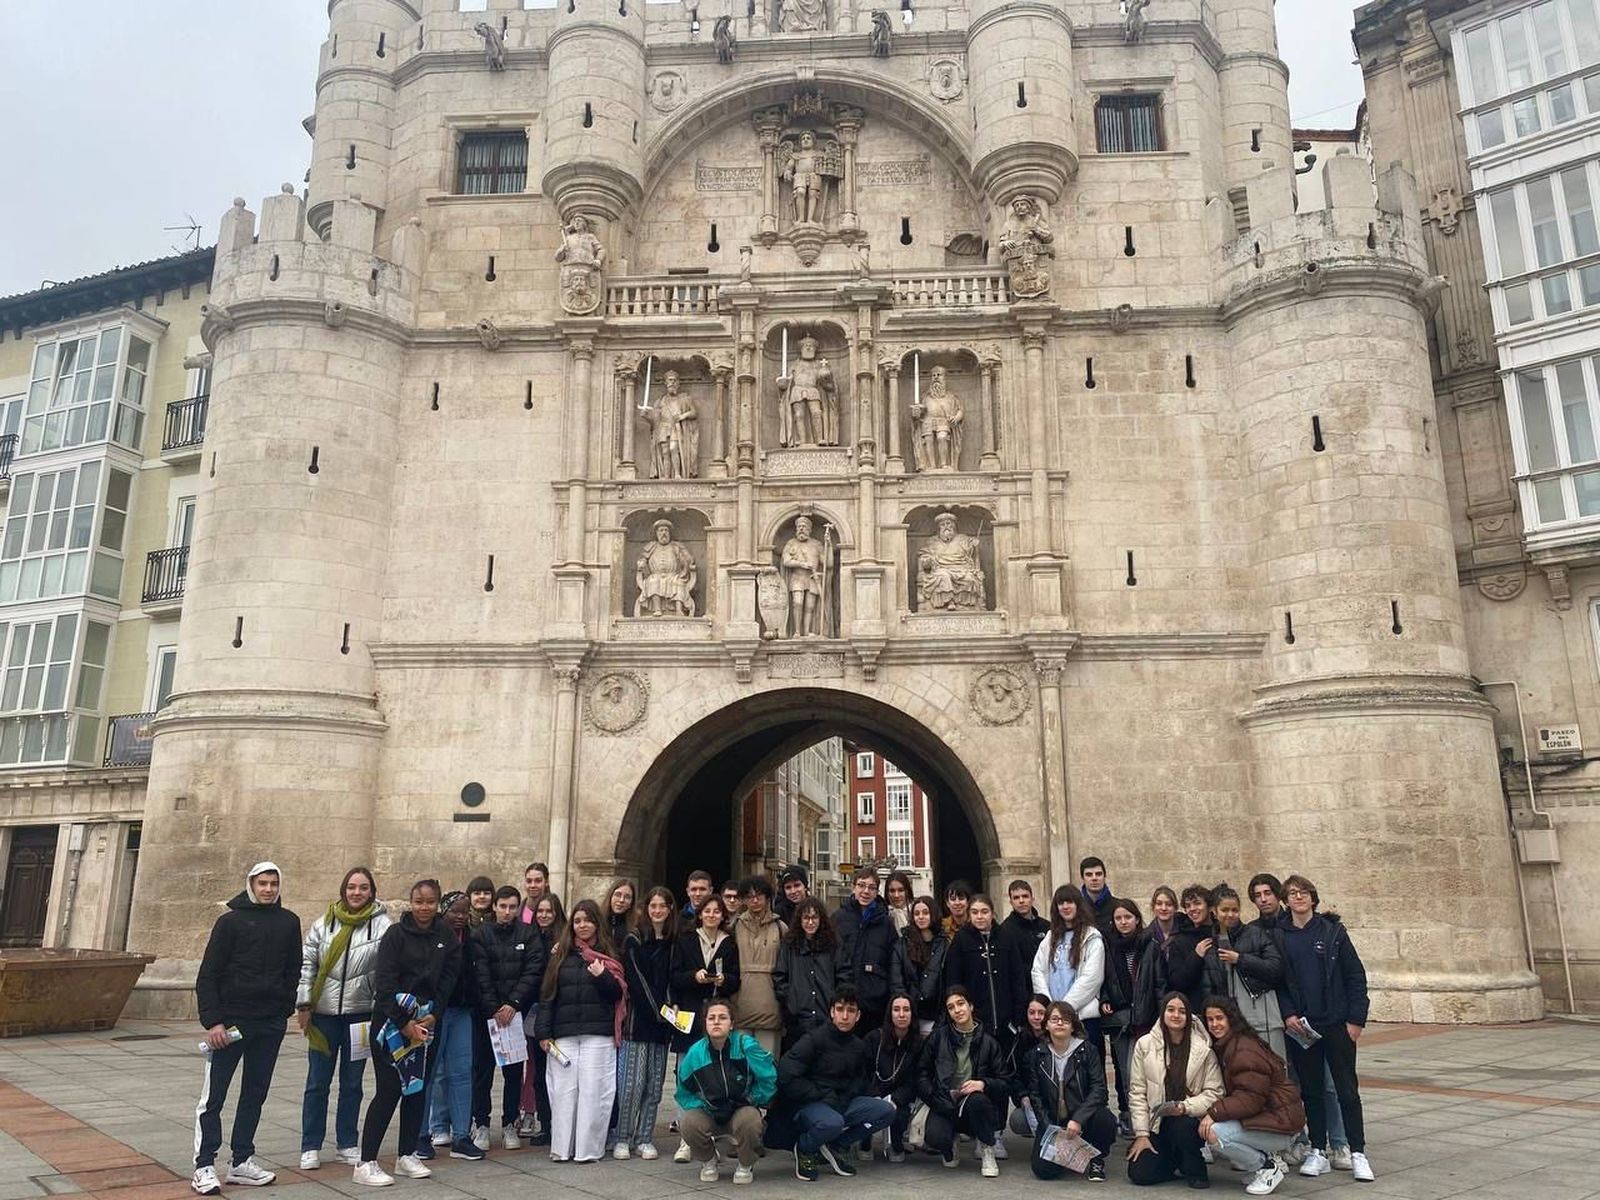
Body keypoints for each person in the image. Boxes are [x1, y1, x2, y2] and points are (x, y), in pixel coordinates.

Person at [192, 862, 302, 1196]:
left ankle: (241, 1160)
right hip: (231, 1024)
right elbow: (209, 973)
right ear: (250, 885)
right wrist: (213, 1021)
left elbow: (293, 969)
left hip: (269, 1024)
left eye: (273, 883)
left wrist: (284, 1008)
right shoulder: (230, 922)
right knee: (214, 1097)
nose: (268, 889)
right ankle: (203, 1165)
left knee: (255, 1094)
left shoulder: (289, 922)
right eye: (262, 883)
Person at [354, 879, 462, 1187]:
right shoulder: (395, 935)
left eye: (430, 901)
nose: (424, 907)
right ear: (411, 902)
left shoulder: (446, 937)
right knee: (389, 1089)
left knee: (417, 1088)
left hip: (426, 1023)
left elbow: (448, 980)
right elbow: (384, 985)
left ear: (438, 903)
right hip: (391, 1024)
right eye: (418, 901)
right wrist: (404, 1023)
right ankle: (365, 1162)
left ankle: (406, 1154)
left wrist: (434, 1015)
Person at [1277, 875, 1373, 1182]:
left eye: (1303, 892)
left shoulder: (1333, 932)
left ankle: (1356, 1151)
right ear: (1286, 900)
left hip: (1336, 1024)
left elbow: (1355, 976)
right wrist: (1289, 1012)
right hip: (1303, 1025)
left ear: (1313, 898)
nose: (1298, 897)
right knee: (1312, 1090)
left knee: (1346, 1089)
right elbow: (1279, 980)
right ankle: (1318, 1149)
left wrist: (1356, 1021)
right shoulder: (1281, 936)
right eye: (1292, 894)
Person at [296, 866, 390, 1172]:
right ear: (343, 890)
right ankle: (310, 1145)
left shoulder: (384, 926)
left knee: (352, 1083)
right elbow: (308, 962)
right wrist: (304, 1003)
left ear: (372, 892)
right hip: (324, 1017)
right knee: (317, 1082)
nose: (356, 893)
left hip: (360, 1016)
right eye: (351, 887)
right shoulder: (324, 924)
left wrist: (380, 1009)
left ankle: (347, 1142)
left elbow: (386, 972)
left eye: (363, 888)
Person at [535, 899, 627, 1164]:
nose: (582, 925)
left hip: (597, 1033)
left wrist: (603, 976)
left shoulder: (609, 954)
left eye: (587, 920)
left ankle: (588, 1149)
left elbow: (617, 995)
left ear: (597, 923)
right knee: (563, 1093)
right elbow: (548, 994)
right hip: (563, 1034)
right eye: (577, 921)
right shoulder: (560, 954)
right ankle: (562, 1148)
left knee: (593, 1091)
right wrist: (543, 1032)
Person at [775, 987, 897, 1181]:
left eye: (850, 1011)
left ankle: (835, 1145)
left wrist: (845, 1096)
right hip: (809, 1105)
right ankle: (806, 1148)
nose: (845, 1016)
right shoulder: (813, 1040)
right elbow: (786, 1074)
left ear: (858, 1016)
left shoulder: (858, 1046)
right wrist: (820, 1094)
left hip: (840, 1103)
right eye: (840, 1009)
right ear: (832, 1012)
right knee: (833, 1122)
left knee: (886, 1111)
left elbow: (860, 1079)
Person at [1200, 997, 1305, 1197]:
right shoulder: (1233, 1043)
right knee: (1212, 1126)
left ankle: (1266, 1167)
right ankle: (1259, 1167)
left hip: (1282, 1124)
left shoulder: (1243, 1050)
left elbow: (1251, 1098)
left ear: (1231, 1018)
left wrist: (1213, 1112)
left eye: (1219, 1018)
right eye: (1210, 1019)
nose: (1214, 1024)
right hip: (1276, 1118)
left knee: (1213, 1132)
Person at [471, 884, 546, 1151]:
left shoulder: (528, 934)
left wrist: (513, 1003)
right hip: (487, 1016)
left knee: (514, 1072)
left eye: (512, 907)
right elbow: (481, 973)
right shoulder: (481, 934)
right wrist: (494, 1007)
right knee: (482, 1071)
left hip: (514, 1014)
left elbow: (533, 970)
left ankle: (509, 1124)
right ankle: (480, 1123)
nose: (507, 911)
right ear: (494, 907)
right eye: (502, 906)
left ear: (518, 908)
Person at [1126, 992, 1224, 1189]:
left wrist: (1185, 1107)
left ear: (1189, 1016)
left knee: (1182, 1127)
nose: (1176, 1015)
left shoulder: (1204, 1048)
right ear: (1163, 1013)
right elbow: (1137, 1093)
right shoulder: (1145, 1045)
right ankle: (1174, 1162)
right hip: (1157, 1122)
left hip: (1188, 1119)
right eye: (1170, 1010)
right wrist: (1142, 1134)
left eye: (1182, 1011)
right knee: (1139, 1174)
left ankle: (1194, 1166)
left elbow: (1215, 1092)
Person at [676, 998, 778, 1185]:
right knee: (689, 1123)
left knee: (750, 1121)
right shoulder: (695, 1053)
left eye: (723, 1017)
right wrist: (704, 1105)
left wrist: (752, 1099)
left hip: (741, 1109)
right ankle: (708, 1161)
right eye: (711, 1018)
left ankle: (746, 1164)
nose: (716, 1021)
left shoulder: (746, 1046)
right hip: (711, 1111)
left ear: (732, 1024)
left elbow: (768, 1077)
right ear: (705, 1024)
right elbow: (683, 1091)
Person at [918, 986, 1011, 1178]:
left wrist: (983, 1083)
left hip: (973, 1102)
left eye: (960, 1004)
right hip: (944, 1098)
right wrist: (933, 1096)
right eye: (951, 1007)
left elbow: (1004, 1081)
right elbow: (922, 1073)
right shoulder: (938, 1037)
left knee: (978, 1099)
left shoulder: (989, 1042)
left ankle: (987, 1147)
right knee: (934, 1137)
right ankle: (949, 1144)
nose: (957, 1010)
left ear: (971, 1006)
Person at [419, 892, 483, 1164]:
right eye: (455, 910)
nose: (460, 915)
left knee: (461, 1072)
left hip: (462, 1011)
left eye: (464, 911)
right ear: (443, 910)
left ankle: (460, 1135)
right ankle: (421, 1133)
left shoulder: (472, 938)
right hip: (436, 1012)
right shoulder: (434, 936)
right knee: (429, 1073)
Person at [1024, 1001, 1118, 1182]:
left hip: (1083, 1118)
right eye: (1054, 1019)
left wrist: (1078, 1119)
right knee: (1043, 1171)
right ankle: (1071, 1154)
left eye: (1065, 1020)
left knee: (1105, 1119)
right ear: (1046, 1025)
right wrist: (1050, 1129)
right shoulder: (1037, 1054)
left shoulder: (1088, 1050)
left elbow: (1099, 1090)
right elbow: (1035, 1095)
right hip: (1054, 1120)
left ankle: (1096, 1158)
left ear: (1073, 1025)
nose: (1060, 1023)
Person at [616, 887, 677, 1160]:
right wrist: (658, 1011)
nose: (657, 911)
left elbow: (674, 978)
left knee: (654, 1085)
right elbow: (637, 980)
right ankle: (622, 1137)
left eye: (662, 906)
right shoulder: (634, 939)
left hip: (663, 1023)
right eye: (653, 905)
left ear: (670, 909)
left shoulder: (674, 941)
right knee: (632, 1083)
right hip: (639, 1020)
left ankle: (645, 1137)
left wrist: (670, 1008)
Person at [945, 893, 1029, 1054]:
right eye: (975, 912)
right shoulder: (961, 940)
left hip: (1006, 1019)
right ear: (969, 915)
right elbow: (953, 980)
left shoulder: (1006, 937)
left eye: (984, 912)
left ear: (992, 913)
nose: (980, 917)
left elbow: (1018, 978)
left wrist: (1018, 1017)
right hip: (975, 1019)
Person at [1210, 885, 1285, 1060]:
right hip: (1230, 1021)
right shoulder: (1209, 942)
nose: (1230, 914)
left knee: (1273, 1067)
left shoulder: (1255, 934)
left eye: (1235, 910)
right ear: (1214, 911)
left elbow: (1276, 968)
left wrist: (1240, 959)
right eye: (1225, 910)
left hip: (1262, 1015)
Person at [1100, 898, 1152, 1137]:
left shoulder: (1149, 945)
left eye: (1127, 917)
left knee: (1146, 1071)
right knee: (1125, 1071)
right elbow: (1103, 979)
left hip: (1145, 1017)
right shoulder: (1108, 946)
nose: (1123, 922)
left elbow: (1156, 980)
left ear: (1137, 919)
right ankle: (1131, 1116)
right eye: (1119, 918)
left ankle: (1148, 1118)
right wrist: (1104, 1000)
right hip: (1120, 1019)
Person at [519, 893, 564, 1144]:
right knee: (539, 1072)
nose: (544, 915)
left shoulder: (564, 941)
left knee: (557, 1072)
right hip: (535, 1011)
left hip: (558, 1012)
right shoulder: (529, 938)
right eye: (541, 911)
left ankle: (559, 1123)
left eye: (549, 911)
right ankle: (545, 1124)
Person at [672, 894, 741, 1050]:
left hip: (717, 1011)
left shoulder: (729, 943)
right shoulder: (686, 939)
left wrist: (724, 980)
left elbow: (736, 979)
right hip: (690, 1010)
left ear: (723, 916)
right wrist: (694, 976)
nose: (711, 915)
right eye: (707, 911)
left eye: (716, 911)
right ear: (700, 914)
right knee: (687, 1064)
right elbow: (675, 976)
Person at [1031, 885, 1106, 1028]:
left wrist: (1064, 1009)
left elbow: (1092, 978)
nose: (1065, 907)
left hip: (1082, 1017)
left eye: (1070, 902)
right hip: (1054, 1018)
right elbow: (1038, 971)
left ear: (1078, 905)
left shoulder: (1091, 937)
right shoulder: (1050, 937)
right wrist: (1049, 1006)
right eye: (1061, 903)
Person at [833, 868, 896, 1032]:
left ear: (877, 892)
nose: (866, 891)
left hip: (875, 1004)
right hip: (844, 1003)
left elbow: (893, 963)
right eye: (861, 885)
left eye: (871, 887)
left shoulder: (886, 923)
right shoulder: (838, 918)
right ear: (853, 887)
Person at [774, 895, 843, 1039]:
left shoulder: (833, 945)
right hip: (797, 1020)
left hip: (826, 1016)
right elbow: (780, 976)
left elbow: (843, 974)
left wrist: (835, 1004)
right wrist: (791, 1001)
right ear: (799, 920)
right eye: (806, 918)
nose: (810, 922)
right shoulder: (790, 945)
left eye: (814, 918)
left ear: (821, 919)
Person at [732, 876, 786, 1057]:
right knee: (740, 1068)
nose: (754, 901)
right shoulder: (734, 926)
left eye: (759, 896)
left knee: (767, 1067)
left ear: (768, 897)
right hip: (740, 1005)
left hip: (771, 1006)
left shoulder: (780, 928)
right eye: (749, 896)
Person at [864, 994, 921, 1161]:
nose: (901, 1015)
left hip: (899, 1098)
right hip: (873, 1094)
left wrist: (895, 1099)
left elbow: (915, 1080)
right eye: (896, 1010)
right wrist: (874, 1096)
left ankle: (896, 1143)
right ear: (890, 1013)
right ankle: (864, 1142)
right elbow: (863, 1073)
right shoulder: (873, 1039)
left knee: (900, 1114)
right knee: (865, 1109)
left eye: (906, 1010)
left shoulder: (918, 1044)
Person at [891, 895, 949, 1033]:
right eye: (916, 913)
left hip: (935, 1016)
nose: (921, 917)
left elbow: (947, 983)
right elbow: (896, 981)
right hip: (909, 1016)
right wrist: (905, 1012)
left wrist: (941, 1021)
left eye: (925, 913)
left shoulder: (944, 945)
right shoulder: (902, 944)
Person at [1165, 885, 1221, 1017]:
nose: (1192, 909)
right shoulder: (1180, 940)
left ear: (1209, 906)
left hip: (1224, 1010)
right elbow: (1176, 982)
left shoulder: (1222, 933)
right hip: (1196, 1011)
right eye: (1188, 905)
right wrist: (1196, 956)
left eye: (1197, 903)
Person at [1006, 993, 1051, 1140]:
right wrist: (1022, 1096)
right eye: (1032, 1013)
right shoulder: (1019, 1040)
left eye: (1041, 1013)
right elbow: (1014, 1074)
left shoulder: (1057, 1036)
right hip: (1031, 1097)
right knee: (1018, 1119)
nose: (1036, 1017)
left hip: (1056, 1098)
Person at [1001, 879, 1050, 960]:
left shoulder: (1047, 927)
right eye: (1016, 898)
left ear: (1032, 899)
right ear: (1011, 902)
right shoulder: (1005, 930)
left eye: (1025, 896)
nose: (1021, 901)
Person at [1080, 858, 1118, 933]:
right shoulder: (1076, 908)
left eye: (1098, 874)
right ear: (1082, 878)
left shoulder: (1118, 907)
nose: (1094, 878)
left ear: (1104, 876)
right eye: (1089, 875)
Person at [604, 879, 635, 949]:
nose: (621, 900)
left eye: (627, 897)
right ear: (610, 897)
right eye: (618, 895)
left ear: (631, 903)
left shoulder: (635, 929)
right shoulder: (598, 923)